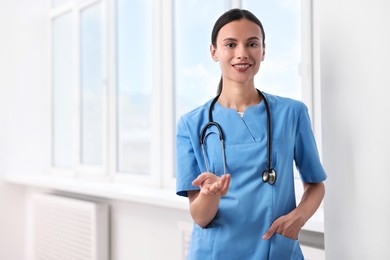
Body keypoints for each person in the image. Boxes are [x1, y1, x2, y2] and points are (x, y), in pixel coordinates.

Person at [175, 8, 326, 260]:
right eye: (230, 44)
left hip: (275, 248)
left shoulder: (292, 113)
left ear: (263, 51)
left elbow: (315, 184)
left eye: (252, 44)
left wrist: (298, 218)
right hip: (215, 252)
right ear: (214, 52)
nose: (242, 53)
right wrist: (209, 195)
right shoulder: (191, 124)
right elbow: (200, 216)